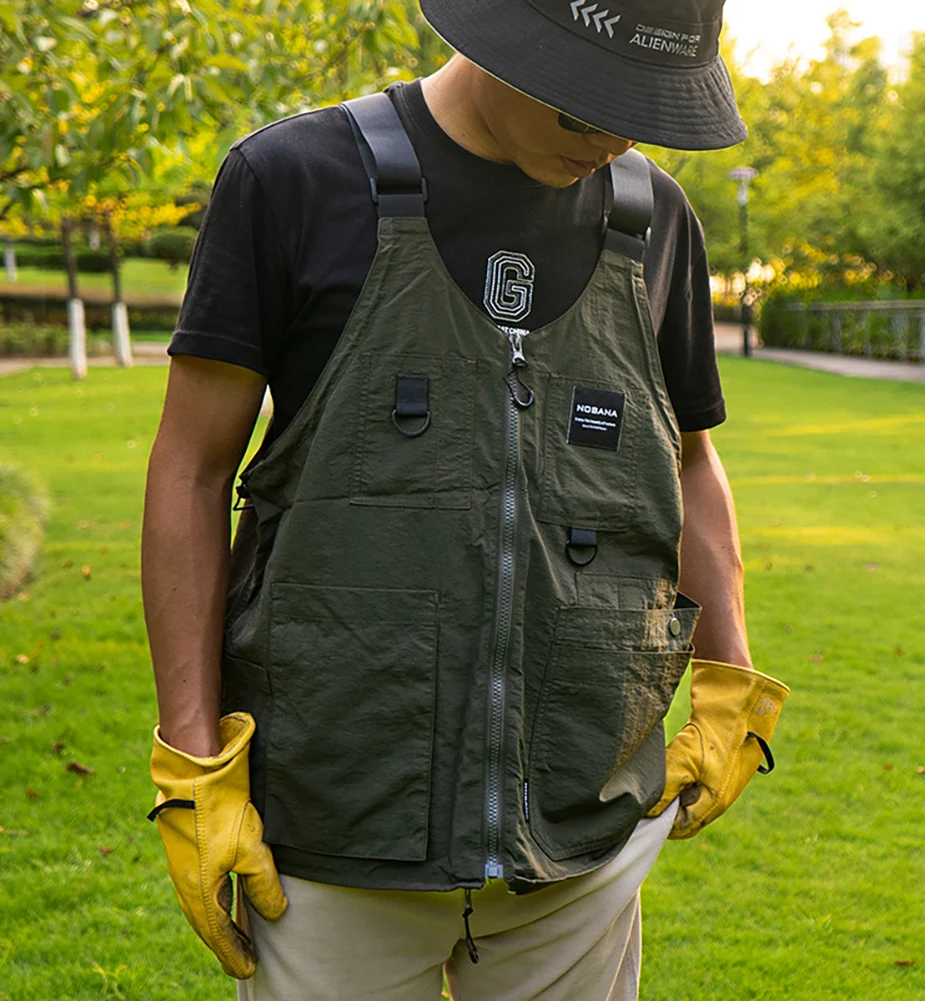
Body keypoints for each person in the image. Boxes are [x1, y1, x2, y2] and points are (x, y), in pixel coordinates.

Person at [141, 1, 789, 998]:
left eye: (639, 111)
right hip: (329, 833)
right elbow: (189, 468)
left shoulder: (653, 219)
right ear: (499, 37)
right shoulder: (292, 181)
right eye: (586, 109)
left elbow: (689, 457)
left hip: (581, 837)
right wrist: (192, 758)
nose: (612, 139)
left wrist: (730, 674)